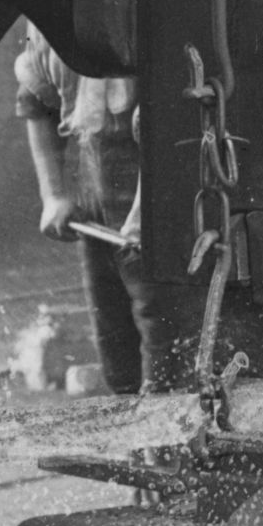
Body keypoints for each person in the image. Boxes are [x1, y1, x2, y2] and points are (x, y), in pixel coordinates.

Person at [15, 26, 162, 394]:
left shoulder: (155, 24)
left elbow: (173, 130)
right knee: (114, 345)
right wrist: (54, 195)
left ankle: (166, 445)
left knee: (161, 344)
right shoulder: (56, 25)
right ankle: (132, 440)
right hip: (97, 213)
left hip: (157, 211)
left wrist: (145, 216)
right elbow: (36, 101)